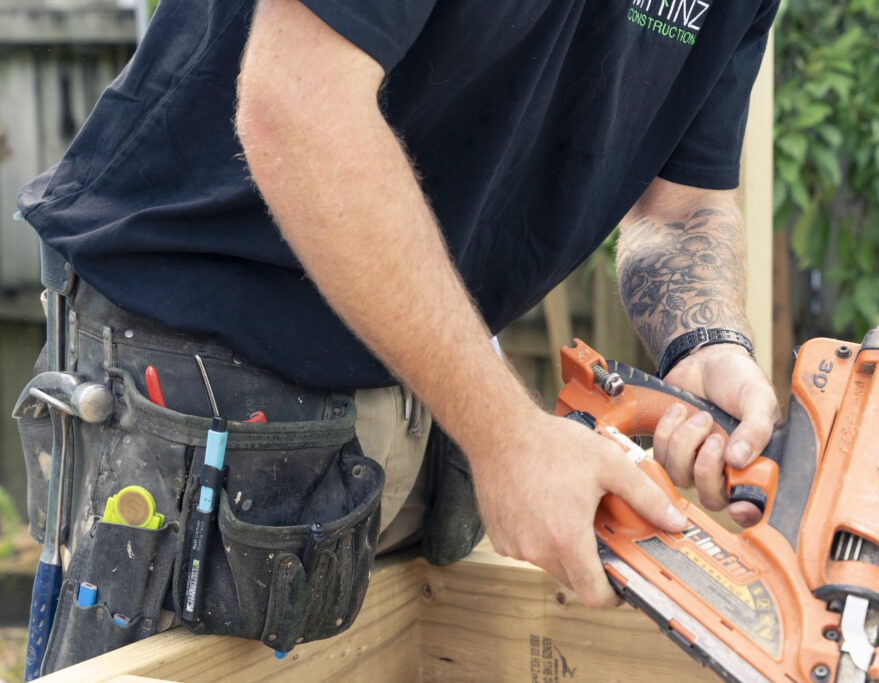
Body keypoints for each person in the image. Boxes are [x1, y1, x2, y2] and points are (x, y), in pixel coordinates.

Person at [15, 0, 781, 672]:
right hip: (193, 357)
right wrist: (508, 437)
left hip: (422, 377)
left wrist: (706, 342)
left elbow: (680, 209)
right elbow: (297, 106)